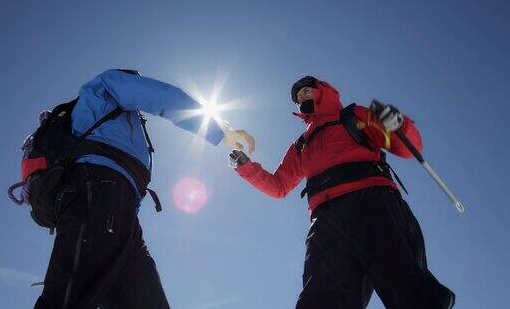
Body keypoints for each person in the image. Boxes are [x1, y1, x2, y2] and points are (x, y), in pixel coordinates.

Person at [34, 69, 254, 309]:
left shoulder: (109, 113)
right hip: (97, 189)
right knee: (68, 295)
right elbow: (158, 96)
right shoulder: (107, 84)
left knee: (144, 299)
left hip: (119, 203)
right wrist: (219, 130)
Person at [229, 76, 455, 308]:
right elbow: (279, 186)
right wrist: (246, 167)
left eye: (306, 91)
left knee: (402, 279)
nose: (301, 98)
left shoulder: (352, 116)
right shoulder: (301, 145)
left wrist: (398, 124)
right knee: (321, 296)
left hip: (372, 200)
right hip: (326, 218)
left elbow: (407, 148)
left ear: (323, 92)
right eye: (298, 98)